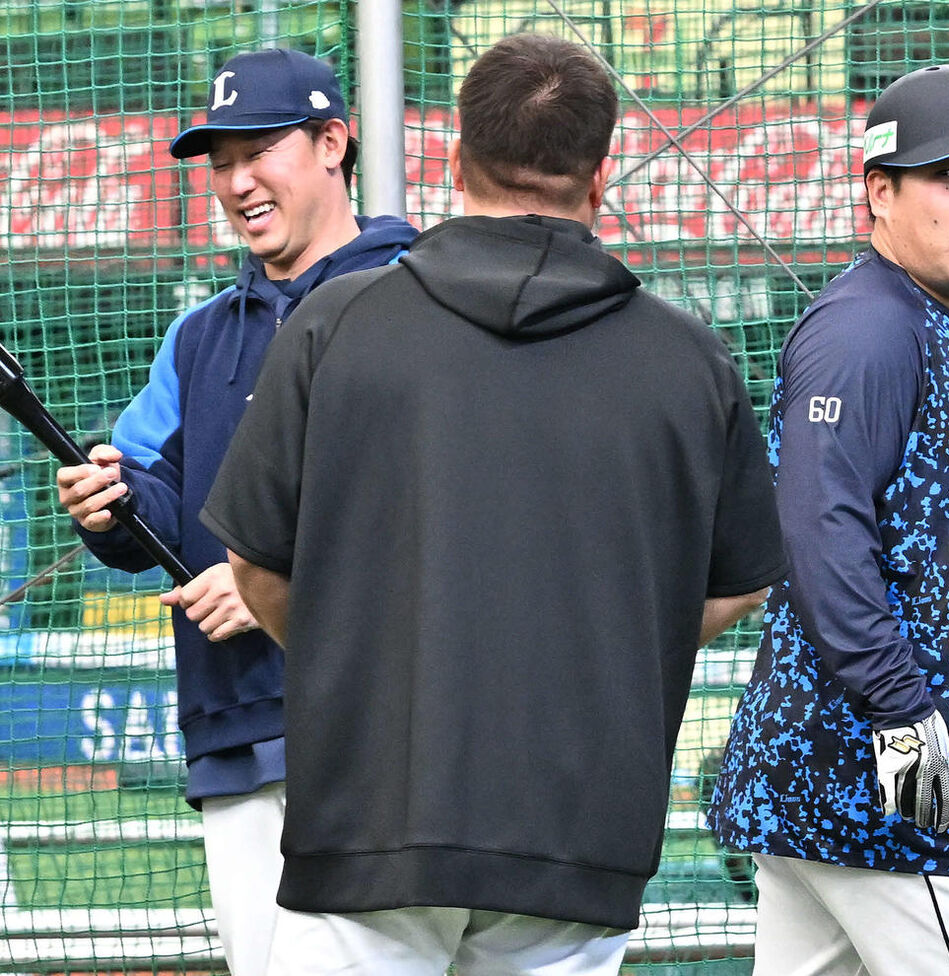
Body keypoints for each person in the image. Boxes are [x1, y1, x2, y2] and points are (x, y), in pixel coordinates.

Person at [198, 32, 787, 976]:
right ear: (601, 177)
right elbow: (739, 586)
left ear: (454, 160)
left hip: (372, 815)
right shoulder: (690, 358)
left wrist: (370, 663)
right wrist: (595, 654)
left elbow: (255, 564)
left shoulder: (336, 323)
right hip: (579, 829)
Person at [53, 48, 419, 976]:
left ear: (333, 143)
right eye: (221, 162)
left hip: (391, 726)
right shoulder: (200, 334)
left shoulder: (420, 297)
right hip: (237, 731)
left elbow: (438, 509)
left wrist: (271, 585)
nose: (237, 182)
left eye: (259, 151)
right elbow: (159, 501)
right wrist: (113, 504)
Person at [708, 63, 949, 975]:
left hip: (868, 769)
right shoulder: (866, 329)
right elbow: (816, 532)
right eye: (947, 176)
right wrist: (900, 712)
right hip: (889, 781)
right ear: (881, 194)